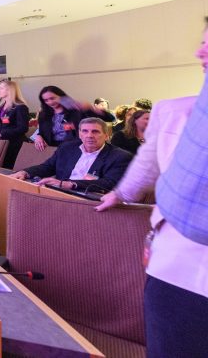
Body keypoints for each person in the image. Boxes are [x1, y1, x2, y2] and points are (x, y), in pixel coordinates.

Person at [96, 20, 208, 357]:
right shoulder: (175, 111)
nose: (199, 51)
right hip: (180, 264)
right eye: (203, 41)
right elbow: (147, 164)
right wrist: (119, 194)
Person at [10, 118, 132, 193]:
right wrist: (25, 173)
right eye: (85, 131)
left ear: (106, 136)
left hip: (88, 200)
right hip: (58, 193)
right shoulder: (67, 148)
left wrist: (71, 184)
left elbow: (109, 183)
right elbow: (47, 167)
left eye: (95, 131)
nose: (89, 135)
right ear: (80, 134)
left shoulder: (120, 157)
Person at [34, 85, 116, 150]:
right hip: (51, 149)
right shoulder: (44, 114)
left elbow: (110, 118)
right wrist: (38, 136)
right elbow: (42, 131)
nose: (50, 102)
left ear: (61, 96)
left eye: (52, 98)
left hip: (75, 148)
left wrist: (91, 108)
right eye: (46, 100)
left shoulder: (76, 110)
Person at [0, 80, 30, 169]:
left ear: (10, 90)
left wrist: (0, 134)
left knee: (9, 169)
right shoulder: (2, 105)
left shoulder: (20, 107)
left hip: (15, 144)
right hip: (3, 143)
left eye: (1, 88)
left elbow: (23, 128)